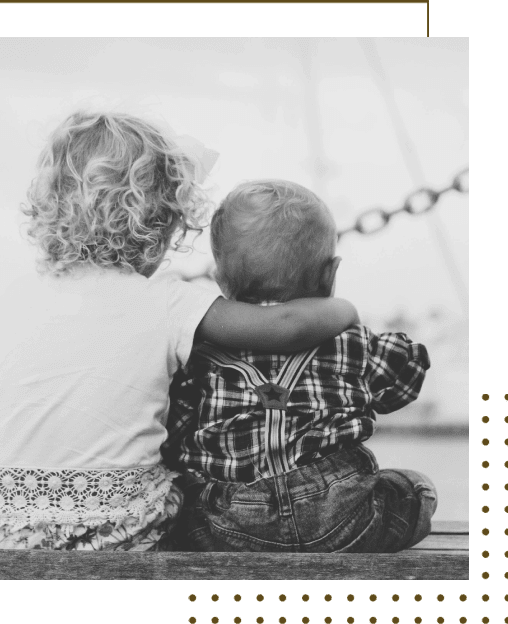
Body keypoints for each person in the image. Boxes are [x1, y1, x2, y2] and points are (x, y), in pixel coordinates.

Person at [0, 113, 358, 551]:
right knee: (193, 490)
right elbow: (283, 325)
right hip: (112, 530)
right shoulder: (167, 301)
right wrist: (343, 309)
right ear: (163, 227)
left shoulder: (22, 296)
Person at [164, 179, 435, 553]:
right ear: (330, 274)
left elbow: (174, 435)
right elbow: (404, 385)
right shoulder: (352, 345)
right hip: (344, 519)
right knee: (415, 489)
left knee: (183, 510)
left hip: (232, 528)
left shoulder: (198, 360)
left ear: (221, 281)